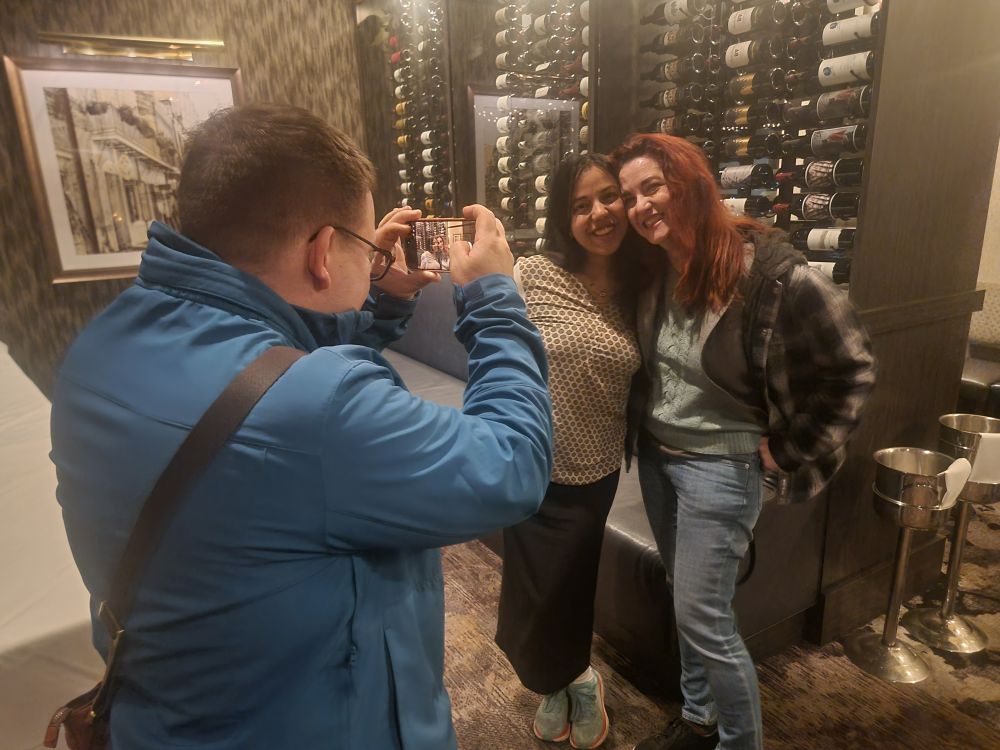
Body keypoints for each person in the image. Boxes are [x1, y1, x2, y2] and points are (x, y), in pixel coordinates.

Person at [50, 104, 553, 750]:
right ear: (321, 254)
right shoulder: (319, 410)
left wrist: (382, 293)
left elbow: (262, 366)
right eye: (363, 247)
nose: (371, 260)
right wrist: (495, 297)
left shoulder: (106, 339)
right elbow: (511, 464)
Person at [613, 134, 875, 750]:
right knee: (687, 600)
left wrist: (789, 450)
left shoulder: (774, 277)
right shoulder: (653, 270)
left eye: (652, 187)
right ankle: (698, 718)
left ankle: (740, 741)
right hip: (658, 458)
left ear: (689, 184)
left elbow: (853, 370)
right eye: (629, 196)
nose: (639, 206)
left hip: (722, 467)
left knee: (703, 618)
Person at [495, 153, 645, 749]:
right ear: (565, 218)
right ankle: (562, 680)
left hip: (594, 467)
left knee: (569, 583)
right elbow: (493, 343)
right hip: (529, 459)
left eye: (608, 197)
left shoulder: (645, 289)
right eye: (581, 205)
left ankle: (575, 676)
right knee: (531, 588)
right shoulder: (533, 274)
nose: (599, 213)